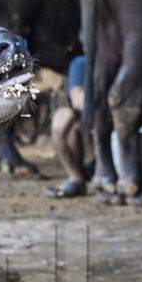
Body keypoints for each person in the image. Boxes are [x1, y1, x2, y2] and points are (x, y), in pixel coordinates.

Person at [44, 55, 91, 198]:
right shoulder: (81, 63)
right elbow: (78, 100)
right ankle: (76, 178)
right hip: (91, 134)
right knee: (63, 116)